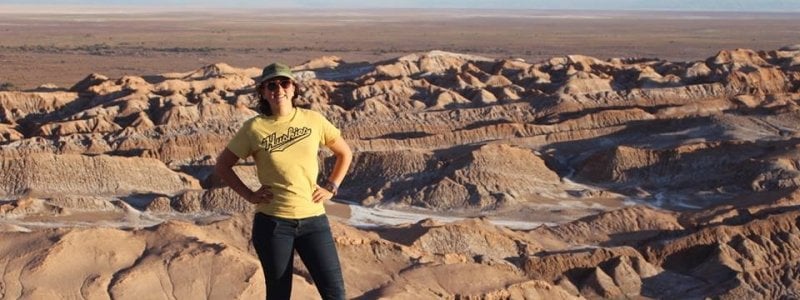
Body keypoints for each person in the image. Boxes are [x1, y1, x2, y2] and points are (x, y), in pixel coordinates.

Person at [214, 62, 352, 300]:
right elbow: (223, 165)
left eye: (284, 83)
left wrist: (331, 186)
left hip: (314, 221)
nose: (279, 89)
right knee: (278, 295)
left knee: (335, 294)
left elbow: (344, 153)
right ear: (264, 92)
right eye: (272, 85)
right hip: (273, 224)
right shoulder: (254, 128)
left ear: (294, 88)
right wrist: (249, 195)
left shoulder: (313, 120)